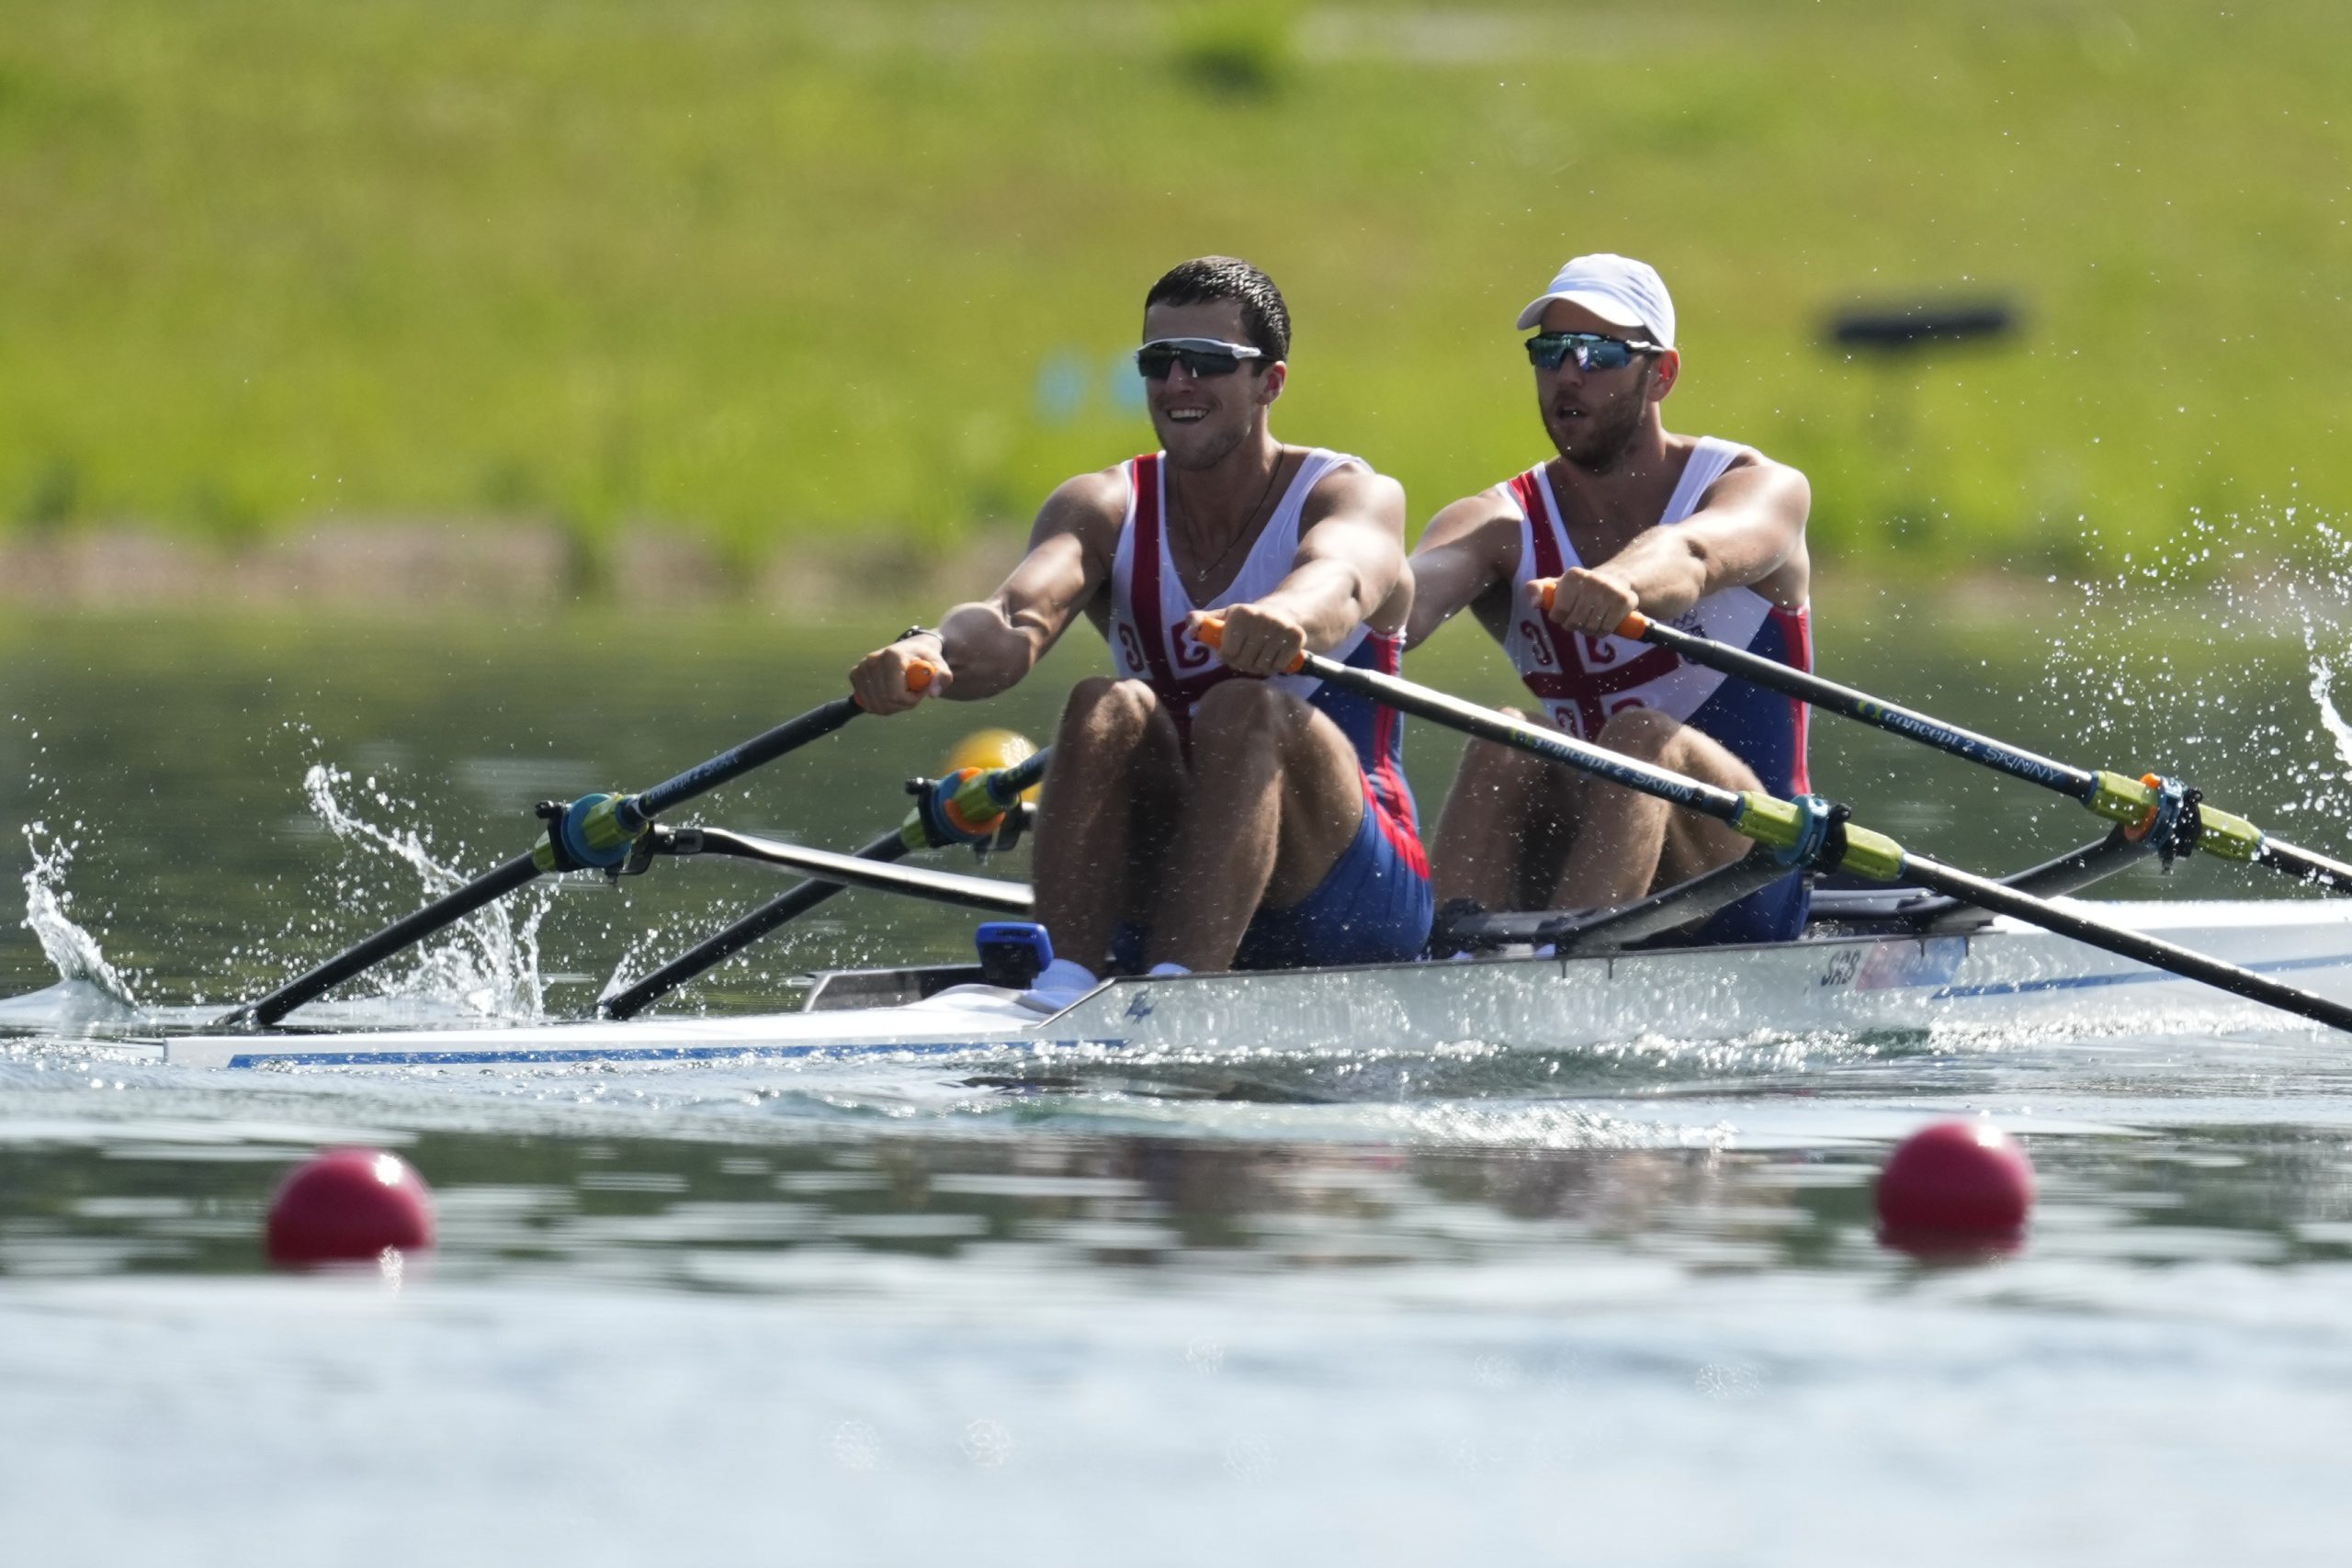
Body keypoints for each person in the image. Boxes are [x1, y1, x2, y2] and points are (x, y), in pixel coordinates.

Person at [849, 257, 1430, 1004]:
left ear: (1271, 382)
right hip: (1181, 880)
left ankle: (1177, 991)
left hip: (1350, 899)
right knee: (1105, 702)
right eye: (1159, 362)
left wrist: (1288, 616)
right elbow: (1010, 620)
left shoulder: (1353, 494)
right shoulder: (1103, 506)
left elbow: (1344, 579)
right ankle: (1066, 985)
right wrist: (930, 650)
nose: (1179, 382)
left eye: (1209, 362)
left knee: (1242, 705)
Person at [1406, 253, 1814, 942]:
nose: (1569, 373)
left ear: (1662, 374)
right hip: (1589, 849)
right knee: (1509, 737)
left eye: (1598, 353)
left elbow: (1691, 554)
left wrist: (1620, 584)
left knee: (1637, 738)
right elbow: (1400, 602)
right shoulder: (1497, 524)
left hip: (1747, 873)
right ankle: (1442, 963)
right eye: (1551, 352)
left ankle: (1564, 964)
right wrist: (1309, 611)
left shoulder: (1757, 487)